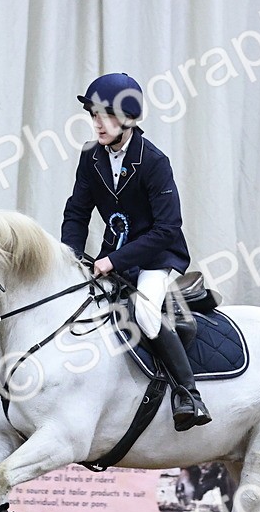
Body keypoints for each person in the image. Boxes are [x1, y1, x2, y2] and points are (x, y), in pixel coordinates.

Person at [61, 72, 211, 431]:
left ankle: (189, 394)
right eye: (94, 115)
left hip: (156, 258)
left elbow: (167, 229)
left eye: (106, 116)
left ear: (127, 119)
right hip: (112, 255)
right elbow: (77, 213)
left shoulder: (154, 162)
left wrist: (114, 260)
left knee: (144, 313)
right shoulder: (91, 158)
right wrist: (68, 255)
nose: (98, 123)